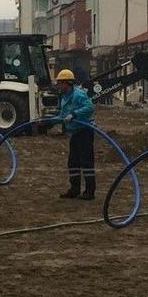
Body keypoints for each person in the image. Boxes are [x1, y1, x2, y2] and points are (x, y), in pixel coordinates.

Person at [55, 69, 97, 200]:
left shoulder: (78, 94)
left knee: (86, 162)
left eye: (60, 83)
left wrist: (74, 114)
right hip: (75, 132)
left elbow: (90, 107)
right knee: (73, 162)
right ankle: (74, 189)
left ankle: (90, 191)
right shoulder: (64, 96)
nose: (58, 86)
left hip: (84, 131)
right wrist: (49, 120)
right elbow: (63, 115)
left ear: (67, 83)